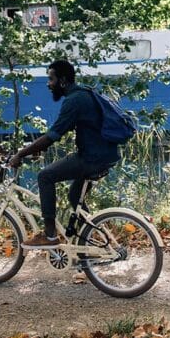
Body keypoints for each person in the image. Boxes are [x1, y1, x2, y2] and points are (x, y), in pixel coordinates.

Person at [7, 59, 121, 248]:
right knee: (74, 197)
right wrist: (36, 149)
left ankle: (50, 236)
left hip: (92, 158)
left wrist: (21, 153)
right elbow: (61, 131)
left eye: (51, 79)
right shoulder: (84, 93)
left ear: (63, 81)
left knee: (45, 176)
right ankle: (87, 243)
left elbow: (53, 135)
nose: (48, 84)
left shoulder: (74, 100)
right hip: (105, 155)